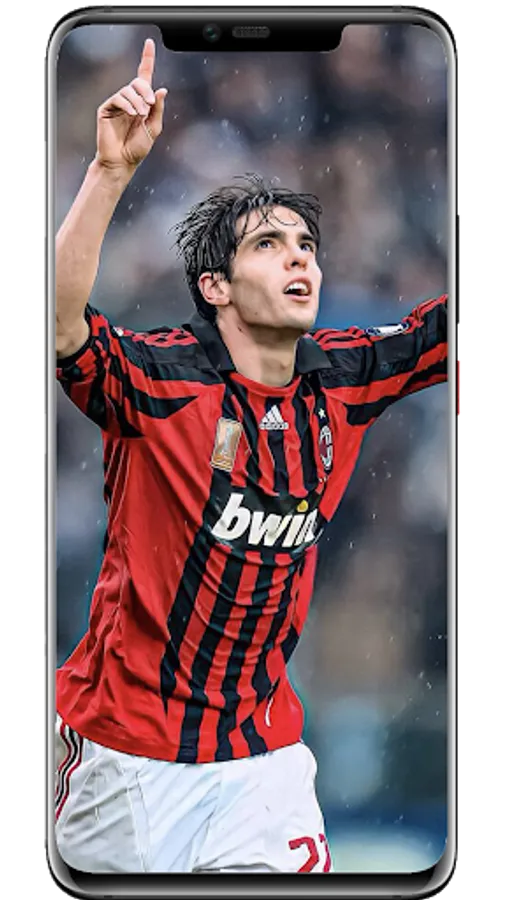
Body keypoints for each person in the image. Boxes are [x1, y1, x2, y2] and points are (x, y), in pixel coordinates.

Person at [54, 38, 448, 875]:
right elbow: (61, 327)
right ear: (216, 287)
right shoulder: (164, 382)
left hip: (261, 762)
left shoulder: (343, 377)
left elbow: (439, 331)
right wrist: (110, 174)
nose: (300, 254)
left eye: (305, 242)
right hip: (128, 758)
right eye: (269, 243)